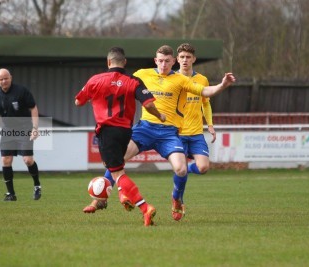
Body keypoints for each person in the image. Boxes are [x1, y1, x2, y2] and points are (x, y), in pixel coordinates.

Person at [83, 45, 236, 221]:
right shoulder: (143, 74)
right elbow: (120, 82)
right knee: (117, 159)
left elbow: (205, 92)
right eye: (160, 61)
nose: (163, 65)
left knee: (181, 169)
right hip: (145, 129)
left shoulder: (180, 79)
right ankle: (98, 200)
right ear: (156, 61)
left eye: (167, 61)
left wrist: (223, 85)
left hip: (169, 133)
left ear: (173, 61)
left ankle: (176, 199)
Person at [75, 47, 166, 226]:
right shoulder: (133, 81)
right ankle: (121, 195)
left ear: (108, 62)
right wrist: (160, 116)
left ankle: (145, 208)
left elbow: (78, 101)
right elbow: (147, 104)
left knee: (117, 173)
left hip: (107, 131)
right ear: (124, 63)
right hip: (126, 132)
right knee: (114, 166)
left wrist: (94, 97)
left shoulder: (95, 80)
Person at [174, 43, 216, 216]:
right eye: (182, 57)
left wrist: (210, 125)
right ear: (177, 59)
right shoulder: (172, 79)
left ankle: (178, 195)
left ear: (194, 59)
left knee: (203, 167)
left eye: (188, 57)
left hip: (197, 132)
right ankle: (177, 200)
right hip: (178, 133)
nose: (185, 60)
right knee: (180, 169)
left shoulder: (202, 80)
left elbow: (206, 104)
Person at [0, 68, 42, 201]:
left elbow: (33, 108)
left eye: (6, 78)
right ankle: (11, 194)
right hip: (7, 130)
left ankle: (37, 185)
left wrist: (35, 128)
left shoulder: (22, 91)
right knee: (5, 160)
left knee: (28, 160)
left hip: (25, 128)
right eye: (1, 79)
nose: (4, 81)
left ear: (11, 78)